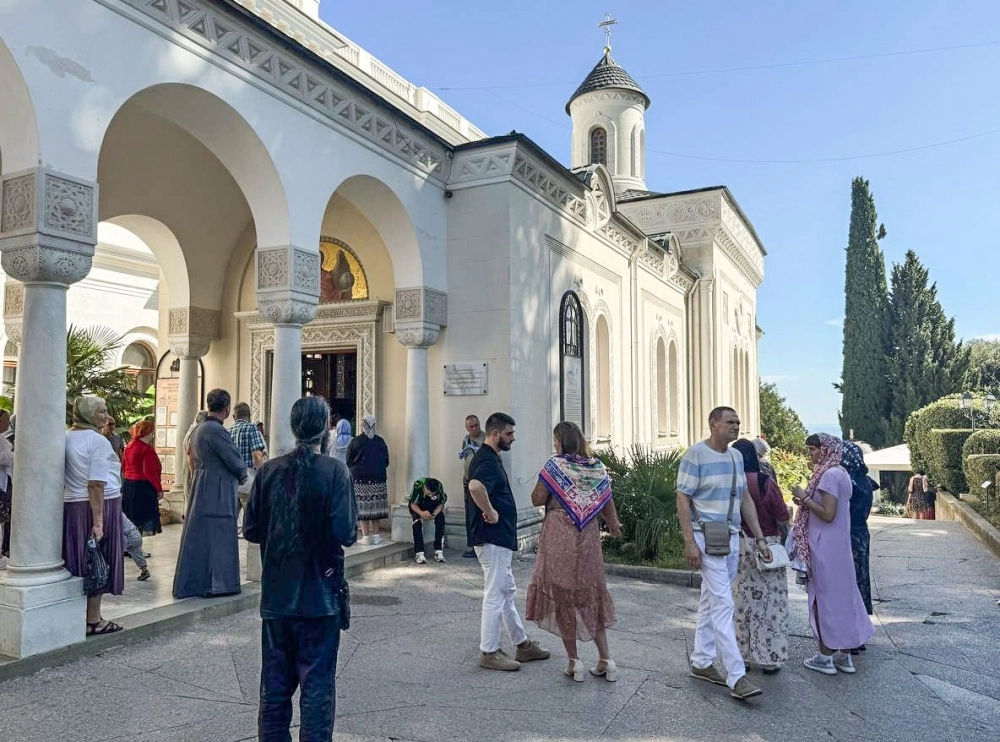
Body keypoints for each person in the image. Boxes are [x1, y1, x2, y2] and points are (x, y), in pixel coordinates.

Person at [244, 396, 357, 741]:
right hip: (319, 598)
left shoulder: (268, 471)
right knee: (317, 689)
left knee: (274, 690)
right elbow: (346, 532)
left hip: (278, 596)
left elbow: (250, 529)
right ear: (324, 428)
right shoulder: (335, 472)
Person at [676, 406, 771, 700]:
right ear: (712, 424)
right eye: (730, 422)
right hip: (706, 537)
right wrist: (690, 541)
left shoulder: (736, 456)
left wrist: (760, 538)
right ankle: (736, 676)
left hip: (729, 538)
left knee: (710, 599)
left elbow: (744, 498)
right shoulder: (696, 454)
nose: (736, 426)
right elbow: (682, 498)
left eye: (738, 422)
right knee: (722, 604)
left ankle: (702, 661)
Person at [526, 421, 621, 682]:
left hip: (559, 534)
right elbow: (607, 501)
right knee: (592, 595)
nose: (554, 443)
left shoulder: (554, 466)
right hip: (588, 535)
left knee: (563, 597)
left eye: (555, 439)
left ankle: (574, 663)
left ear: (561, 440)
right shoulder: (596, 467)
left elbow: (536, 498)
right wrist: (613, 525)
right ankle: (607, 660)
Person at [468, 412, 550, 671]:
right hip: (492, 538)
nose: (512, 438)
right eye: (509, 434)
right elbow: (475, 486)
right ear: (495, 434)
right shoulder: (487, 460)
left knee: (505, 591)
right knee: (495, 592)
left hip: (498, 538)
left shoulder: (491, 457)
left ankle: (522, 644)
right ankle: (489, 651)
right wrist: (491, 512)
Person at [790, 434, 875, 675]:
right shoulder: (842, 474)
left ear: (826, 450)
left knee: (824, 599)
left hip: (824, 545)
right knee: (844, 598)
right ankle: (844, 655)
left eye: (814, 450)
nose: (811, 454)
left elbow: (828, 513)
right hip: (839, 546)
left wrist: (805, 498)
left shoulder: (828, 475)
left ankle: (825, 656)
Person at [173, 389, 247, 599]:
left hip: (203, 485)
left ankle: (197, 584)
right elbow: (234, 460)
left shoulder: (199, 429)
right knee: (217, 537)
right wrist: (242, 474)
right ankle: (217, 585)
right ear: (226, 409)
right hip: (217, 490)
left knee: (202, 537)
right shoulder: (215, 431)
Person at [63, 396, 125, 635]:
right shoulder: (97, 441)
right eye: (101, 411)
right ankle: (93, 619)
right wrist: (98, 521)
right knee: (97, 561)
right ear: (89, 415)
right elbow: (96, 484)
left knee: (79, 559)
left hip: (73, 505)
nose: (107, 416)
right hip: (99, 505)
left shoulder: (67, 437)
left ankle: (83, 616)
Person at [731, 438, 790, 674]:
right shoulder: (766, 482)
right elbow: (782, 516)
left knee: (742, 602)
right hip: (768, 544)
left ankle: (742, 654)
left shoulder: (731, 483)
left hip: (738, 544)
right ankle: (770, 656)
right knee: (772, 605)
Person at [842, 440, 875, 618]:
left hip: (848, 532)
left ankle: (852, 624)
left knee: (849, 579)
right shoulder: (866, 480)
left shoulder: (847, 480)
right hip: (862, 531)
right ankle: (862, 620)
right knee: (861, 577)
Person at [346, 415, 390, 545]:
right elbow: (386, 460)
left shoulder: (356, 441)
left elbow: (348, 460)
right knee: (376, 507)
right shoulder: (381, 441)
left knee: (363, 507)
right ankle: (376, 535)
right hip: (379, 480)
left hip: (360, 480)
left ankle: (366, 536)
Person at [121, 419, 163, 536]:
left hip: (129, 485)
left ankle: (131, 546)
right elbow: (149, 472)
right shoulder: (146, 449)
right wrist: (159, 489)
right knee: (143, 519)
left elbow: (124, 466)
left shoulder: (129, 446)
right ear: (148, 432)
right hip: (143, 488)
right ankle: (138, 547)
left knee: (131, 518)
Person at [459, 414, 486, 559]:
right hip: (467, 481)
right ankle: (473, 545)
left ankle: (482, 544)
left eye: (476, 425)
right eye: (471, 427)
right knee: (470, 515)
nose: (475, 428)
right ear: (467, 428)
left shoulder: (485, 439)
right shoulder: (466, 439)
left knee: (480, 514)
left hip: (481, 483)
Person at [409, 477, 447, 564]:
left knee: (441, 517)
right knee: (416, 520)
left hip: (432, 505)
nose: (431, 496)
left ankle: (438, 551)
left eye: (433, 494)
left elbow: (441, 504)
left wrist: (434, 514)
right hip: (418, 505)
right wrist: (421, 513)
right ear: (425, 488)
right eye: (429, 493)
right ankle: (419, 552)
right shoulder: (418, 484)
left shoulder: (439, 486)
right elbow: (413, 504)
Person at [0, 410, 13, 567]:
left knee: (2, 521)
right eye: (5, 420)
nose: (8, 424)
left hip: (4, 483)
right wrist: (13, 454)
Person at [122, 513, 150, 581]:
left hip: (129, 536)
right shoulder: (120, 513)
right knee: (137, 553)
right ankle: (144, 570)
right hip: (136, 533)